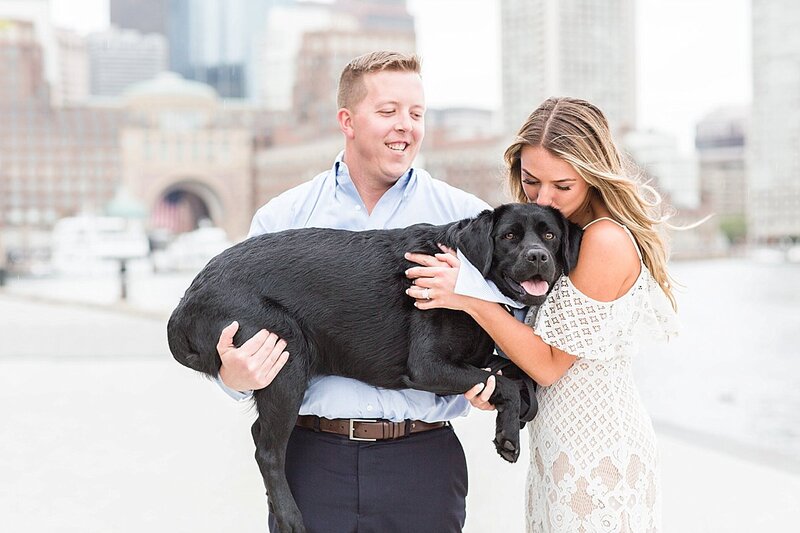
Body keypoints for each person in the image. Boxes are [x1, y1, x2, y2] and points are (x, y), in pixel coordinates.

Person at [212, 51, 493, 532]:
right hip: (311, 465)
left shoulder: (470, 221)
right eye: (388, 112)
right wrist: (232, 376)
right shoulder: (282, 221)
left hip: (423, 465)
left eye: (416, 113)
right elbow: (246, 350)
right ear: (347, 120)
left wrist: (491, 381)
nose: (405, 125)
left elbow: (512, 331)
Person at [404, 97, 679, 532]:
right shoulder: (559, 237)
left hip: (598, 452)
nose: (544, 197)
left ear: (593, 174)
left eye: (562, 186)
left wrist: (470, 297)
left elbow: (550, 364)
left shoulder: (604, 240)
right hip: (557, 449)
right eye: (532, 182)